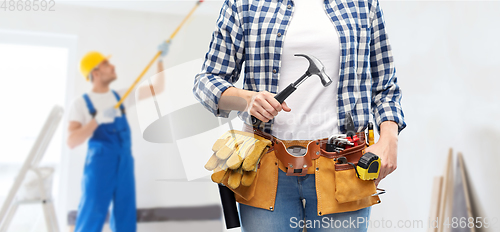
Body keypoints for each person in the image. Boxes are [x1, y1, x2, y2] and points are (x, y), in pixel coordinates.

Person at [194, 0, 406, 231]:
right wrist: (246, 100)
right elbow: (206, 81)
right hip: (265, 166)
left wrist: (389, 138)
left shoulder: (362, 4)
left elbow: (385, 86)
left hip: (342, 166)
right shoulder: (244, 4)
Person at [67, 41, 170, 232]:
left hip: (124, 161)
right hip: (99, 164)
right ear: (95, 73)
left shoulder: (121, 96)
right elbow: (72, 141)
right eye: (106, 64)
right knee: (91, 214)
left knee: (125, 215)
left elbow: (158, 88)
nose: (112, 66)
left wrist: (160, 60)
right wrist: (96, 120)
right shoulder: (81, 103)